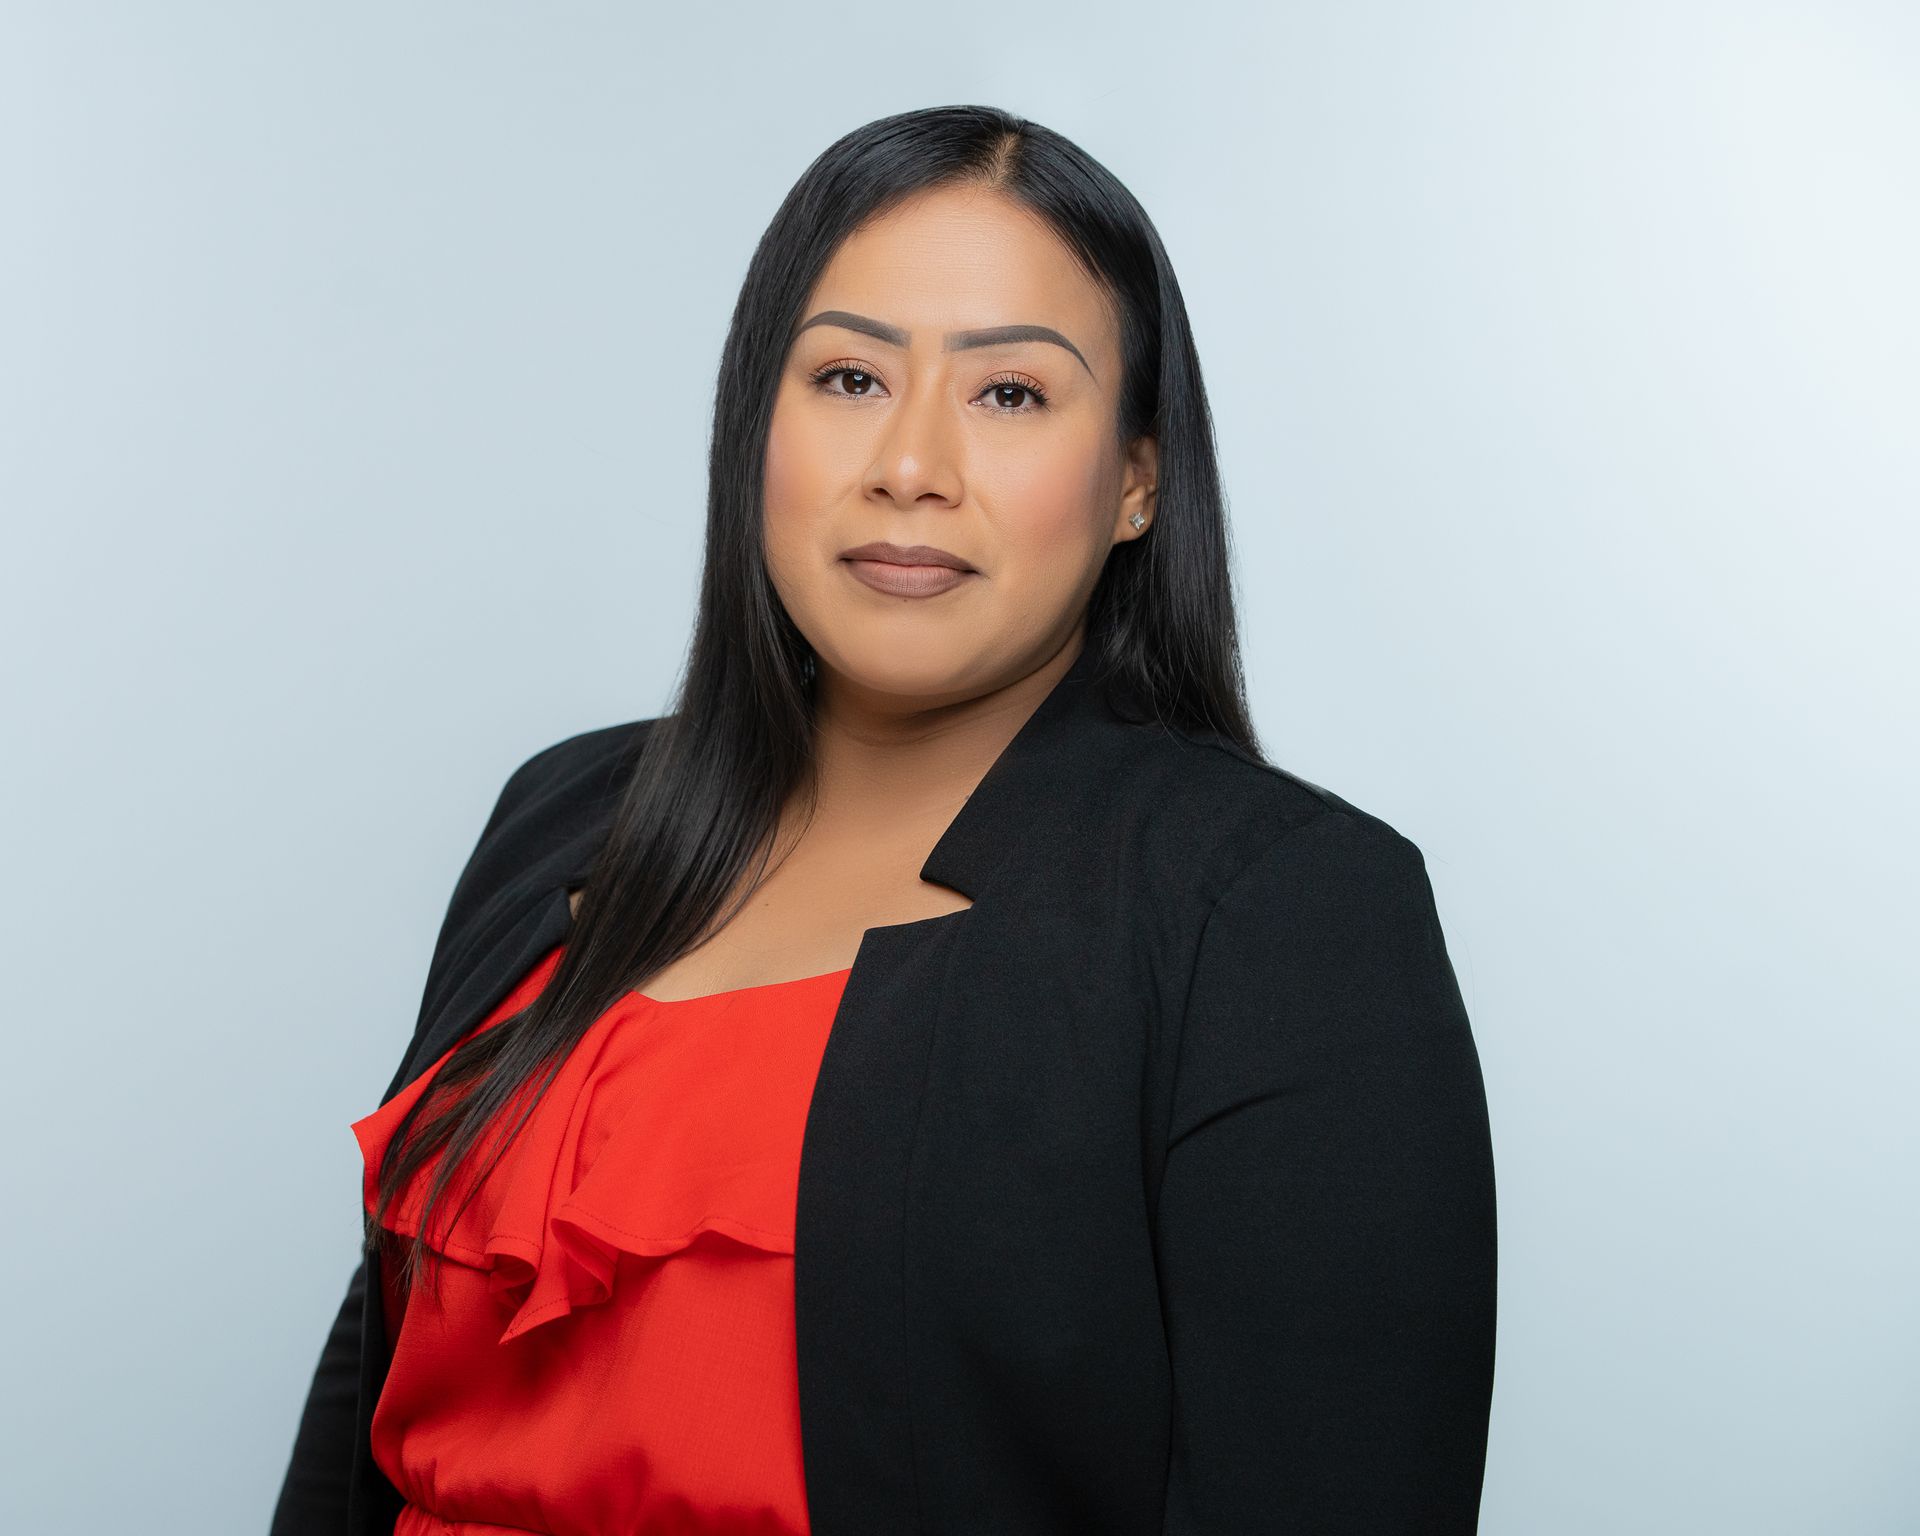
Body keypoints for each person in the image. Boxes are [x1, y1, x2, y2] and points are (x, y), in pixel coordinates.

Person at [271, 103, 1498, 1536]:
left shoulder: (1280, 913)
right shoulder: (563, 817)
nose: (910, 463)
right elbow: (368, 1402)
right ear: (758, 429)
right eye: (849, 377)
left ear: (1139, 482)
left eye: (1012, 395)